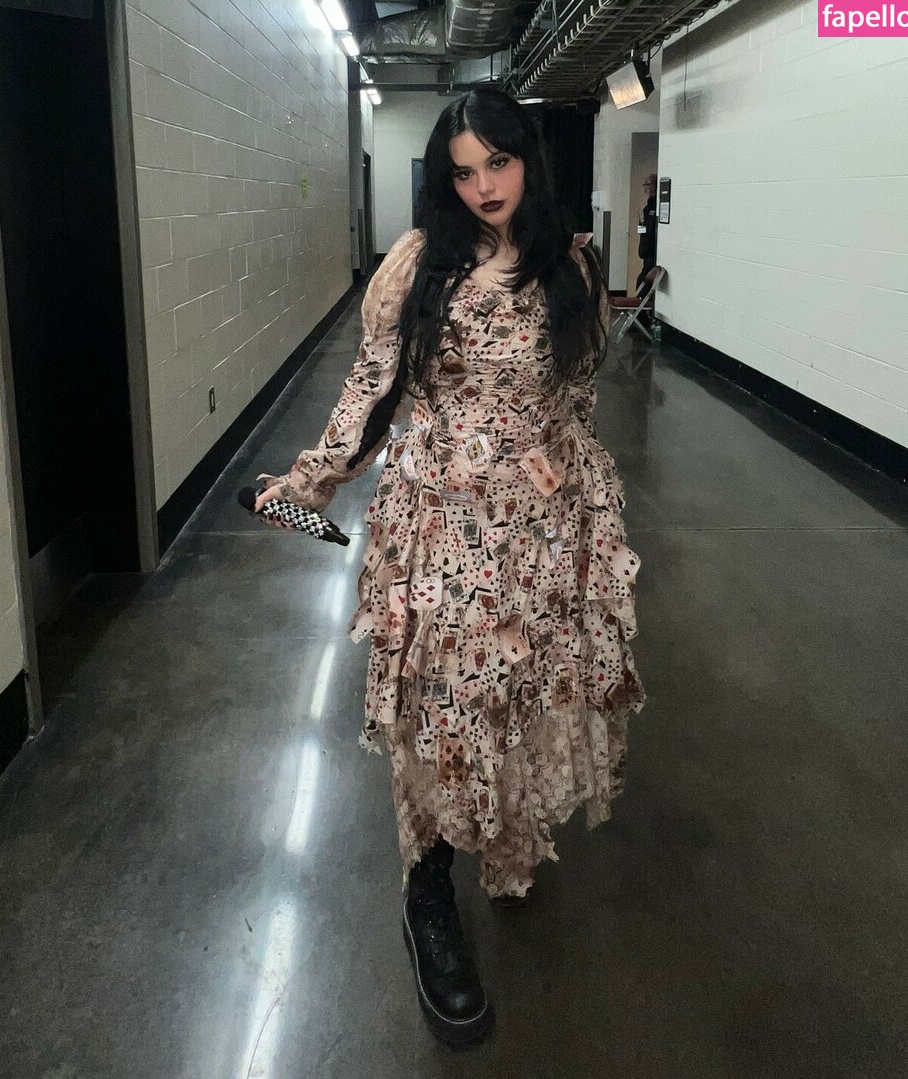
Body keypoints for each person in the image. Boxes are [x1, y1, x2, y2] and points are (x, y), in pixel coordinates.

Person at [253, 88, 647, 1046]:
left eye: (498, 163)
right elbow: (370, 390)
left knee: (516, 694)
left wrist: (578, 506)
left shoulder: (571, 264)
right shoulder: (420, 265)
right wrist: (309, 481)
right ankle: (427, 890)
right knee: (437, 705)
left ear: (529, 161)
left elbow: (576, 396)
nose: (483, 187)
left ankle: (505, 841)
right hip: (440, 526)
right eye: (463, 172)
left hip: (538, 531)